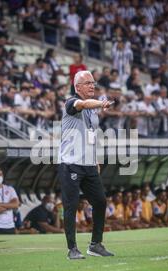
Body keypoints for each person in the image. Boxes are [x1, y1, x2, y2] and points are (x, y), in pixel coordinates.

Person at [58, 70, 114, 259]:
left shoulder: (92, 112)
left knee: (100, 201)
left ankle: (95, 244)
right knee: (71, 206)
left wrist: (96, 159)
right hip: (71, 164)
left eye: (93, 83)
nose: (92, 86)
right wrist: (101, 103)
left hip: (89, 165)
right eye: (88, 83)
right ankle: (72, 249)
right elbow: (82, 104)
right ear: (77, 87)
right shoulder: (71, 103)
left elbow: (92, 137)